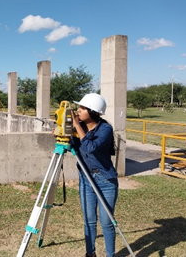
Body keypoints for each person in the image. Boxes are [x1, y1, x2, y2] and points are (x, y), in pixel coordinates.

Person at [71, 93, 118, 257]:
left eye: (82, 108)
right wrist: (62, 134)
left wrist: (76, 126)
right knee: (89, 221)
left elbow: (91, 147)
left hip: (105, 181)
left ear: (92, 111)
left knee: (106, 223)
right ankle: (90, 254)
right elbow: (76, 149)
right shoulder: (81, 128)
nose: (78, 111)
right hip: (86, 179)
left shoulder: (105, 129)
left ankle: (110, 255)